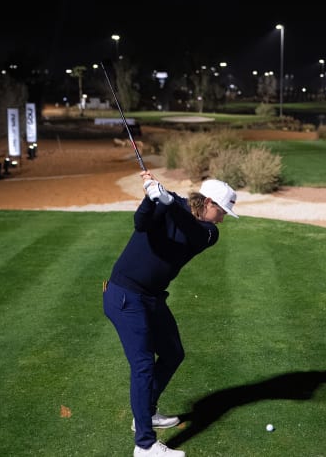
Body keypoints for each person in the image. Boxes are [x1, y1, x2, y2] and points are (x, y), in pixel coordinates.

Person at [103, 172, 238, 457]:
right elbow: (141, 224)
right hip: (126, 296)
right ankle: (144, 446)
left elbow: (194, 232)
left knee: (173, 353)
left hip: (151, 297)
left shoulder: (209, 232)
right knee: (143, 366)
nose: (223, 218)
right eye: (222, 211)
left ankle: (147, 411)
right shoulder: (169, 204)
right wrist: (150, 198)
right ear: (208, 202)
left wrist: (166, 201)